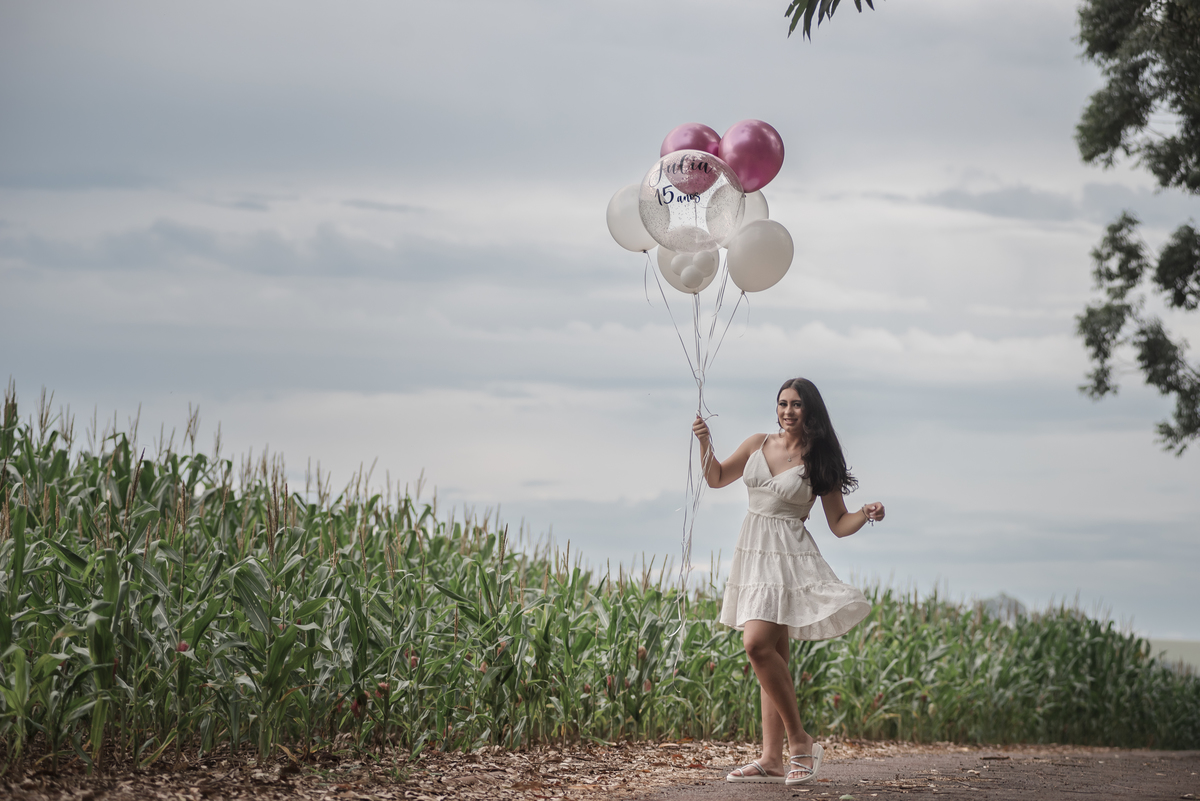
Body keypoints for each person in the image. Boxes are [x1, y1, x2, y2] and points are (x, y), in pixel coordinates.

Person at [691, 377, 884, 786]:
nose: (787, 411)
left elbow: (838, 523)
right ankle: (771, 759)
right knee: (771, 656)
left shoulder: (819, 460)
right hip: (753, 553)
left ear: (810, 410)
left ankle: (799, 741)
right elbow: (716, 477)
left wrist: (865, 514)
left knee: (756, 646)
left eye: (796, 404)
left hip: (788, 558)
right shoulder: (757, 443)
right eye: (782, 403)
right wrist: (705, 442)